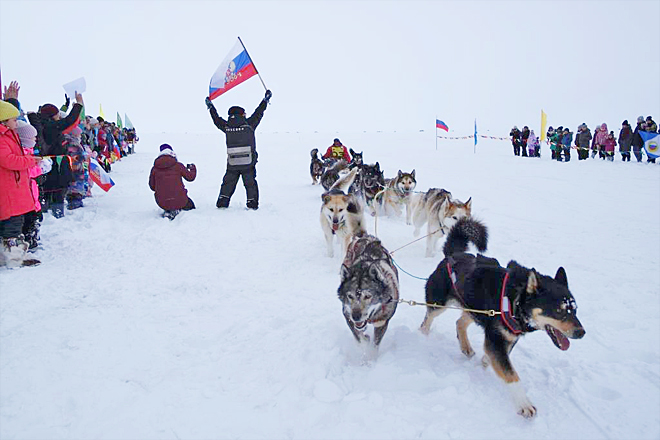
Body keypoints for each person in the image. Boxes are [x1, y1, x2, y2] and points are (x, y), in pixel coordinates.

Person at [205, 89, 271, 210]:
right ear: (241, 114)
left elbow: (216, 119)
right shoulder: (249, 125)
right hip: (248, 162)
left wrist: (210, 107)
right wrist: (265, 100)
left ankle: (222, 201)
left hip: (233, 162)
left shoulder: (227, 126)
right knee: (250, 183)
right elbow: (259, 113)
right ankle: (252, 204)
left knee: (228, 182)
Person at [27, 92, 84, 217]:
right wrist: (79, 104)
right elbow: (69, 121)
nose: (59, 116)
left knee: (46, 192)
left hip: (47, 165)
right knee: (57, 192)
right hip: (56, 166)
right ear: (52, 115)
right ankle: (57, 218)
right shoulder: (50, 126)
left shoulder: (41, 123)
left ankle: (47, 216)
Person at [0, 100, 42, 267]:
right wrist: (30, 160)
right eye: (14, 119)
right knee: (12, 224)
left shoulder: (9, 135)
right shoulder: (3, 138)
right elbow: (8, 160)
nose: (16, 122)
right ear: (4, 120)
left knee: (12, 222)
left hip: (14, 186)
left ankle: (9, 257)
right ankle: (14, 259)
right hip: (8, 187)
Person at [148, 144, 197, 220]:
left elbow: (152, 187)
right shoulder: (178, 166)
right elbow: (190, 178)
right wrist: (193, 168)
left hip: (162, 202)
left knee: (168, 201)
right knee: (191, 206)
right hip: (180, 200)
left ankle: (169, 209)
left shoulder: (155, 169)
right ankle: (176, 209)